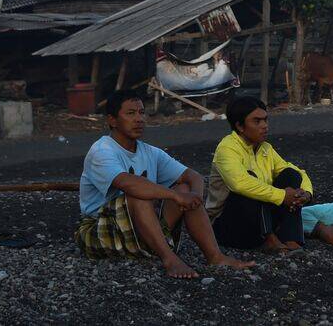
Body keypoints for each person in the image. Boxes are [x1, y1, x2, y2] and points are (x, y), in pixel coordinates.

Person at [75, 89, 254, 279]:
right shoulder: (102, 150)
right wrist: (175, 196)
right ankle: (170, 259)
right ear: (112, 120)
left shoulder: (150, 152)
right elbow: (128, 183)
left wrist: (194, 197)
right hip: (99, 231)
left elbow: (193, 176)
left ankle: (215, 256)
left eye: (142, 112)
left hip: (139, 230)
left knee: (185, 188)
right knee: (139, 193)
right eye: (130, 113)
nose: (139, 119)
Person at [207, 96, 313, 253]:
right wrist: (282, 195)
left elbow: (295, 171)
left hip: (257, 218)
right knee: (248, 181)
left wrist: (306, 193)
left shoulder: (265, 148)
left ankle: (290, 237)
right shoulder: (227, 148)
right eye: (257, 121)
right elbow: (239, 183)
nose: (264, 126)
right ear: (240, 126)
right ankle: (269, 238)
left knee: (290, 175)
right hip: (228, 224)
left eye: (265, 120)